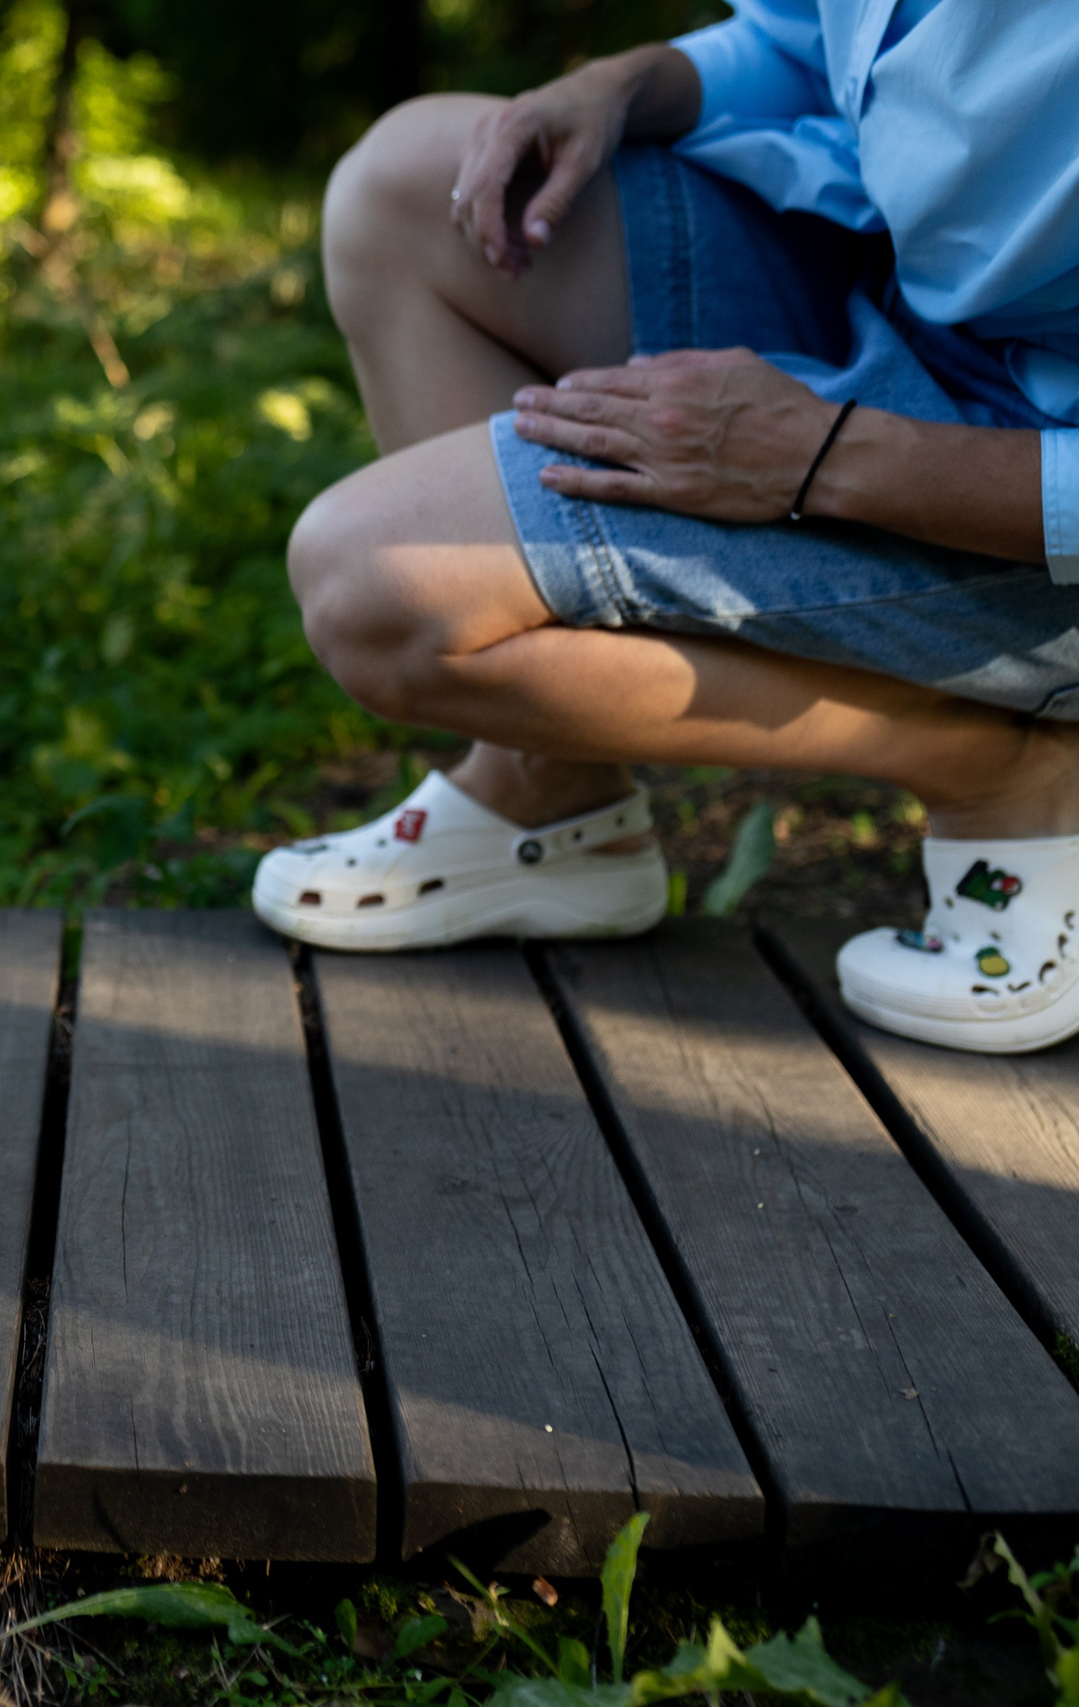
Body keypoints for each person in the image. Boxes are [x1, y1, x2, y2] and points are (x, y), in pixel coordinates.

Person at [256, 0, 1079, 1055]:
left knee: (378, 589)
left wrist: (822, 457)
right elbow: (797, 43)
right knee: (415, 184)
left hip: (1030, 506)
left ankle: (1003, 770)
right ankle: (543, 795)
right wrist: (625, 83)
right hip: (898, 310)